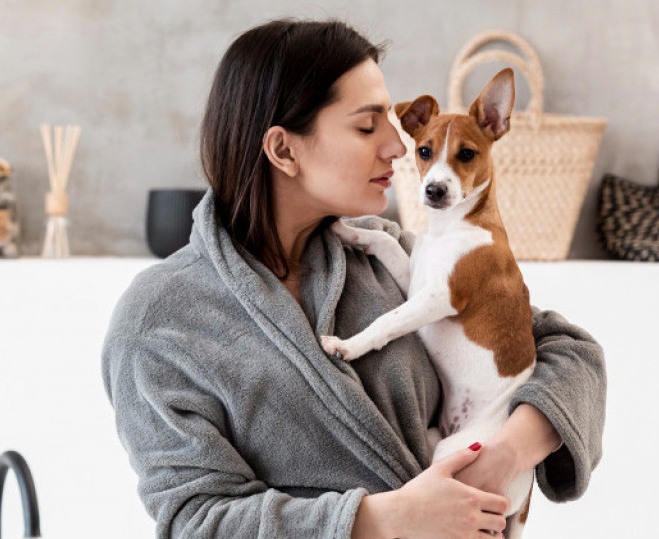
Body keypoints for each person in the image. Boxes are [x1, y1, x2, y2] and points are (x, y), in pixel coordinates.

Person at [101, 18, 605, 539]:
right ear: (284, 150)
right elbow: (197, 520)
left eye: (390, 120)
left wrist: (504, 455)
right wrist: (389, 518)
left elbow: (570, 352)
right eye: (367, 127)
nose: (398, 147)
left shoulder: (380, 250)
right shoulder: (158, 320)